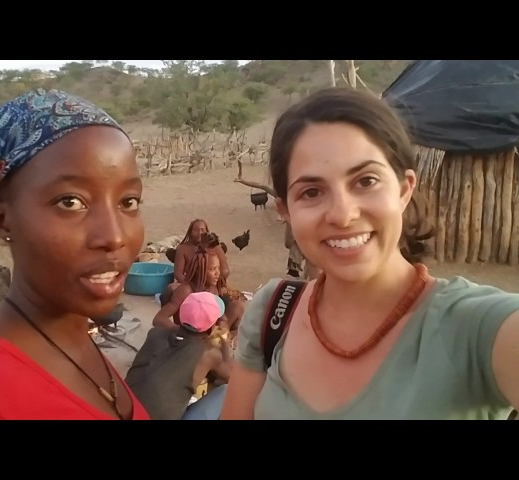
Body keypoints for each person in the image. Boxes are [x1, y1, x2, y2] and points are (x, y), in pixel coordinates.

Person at [220, 87, 519, 420]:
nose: (342, 214)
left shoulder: (475, 328)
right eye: (312, 191)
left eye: (366, 181)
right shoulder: (272, 312)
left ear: (404, 190)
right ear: (286, 211)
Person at [0, 88, 150, 420]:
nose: (114, 236)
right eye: (70, 202)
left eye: (128, 202)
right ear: (0, 219)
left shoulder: (72, 338)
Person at [125, 291, 232, 420]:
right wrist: (224, 339)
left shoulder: (155, 334)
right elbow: (231, 376)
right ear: (211, 327)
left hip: (125, 412)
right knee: (226, 390)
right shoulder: (208, 354)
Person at [153, 240, 246, 338]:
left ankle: (232, 337)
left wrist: (224, 329)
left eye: (218, 268)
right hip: (190, 337)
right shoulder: (186, 290)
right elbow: (159, 319)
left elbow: (221, 318)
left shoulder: (212, 288)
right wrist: (180, 331)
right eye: (212, 269)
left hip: (208, 334)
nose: (217, 273)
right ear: (199, 270)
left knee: (238, 306)